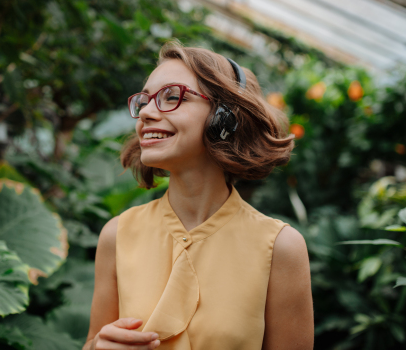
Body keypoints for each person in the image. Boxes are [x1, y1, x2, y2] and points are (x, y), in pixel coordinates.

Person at [83, 41, 313, 350]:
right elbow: (93, 342)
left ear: (224, 117)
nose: (147, 112)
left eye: (172, 97)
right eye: (145, 100)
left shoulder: (281, 248)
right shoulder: (117, 235)